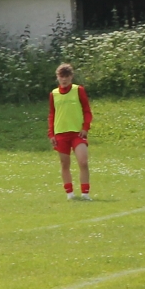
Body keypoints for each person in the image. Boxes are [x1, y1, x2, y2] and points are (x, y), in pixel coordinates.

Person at [49, 63, 93, 201]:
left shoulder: (78, 90)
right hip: (61, 133)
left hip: (77, 133)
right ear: (57, 77)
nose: (64, 79)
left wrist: (85, 127)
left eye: (66, 76)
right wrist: (51, 133)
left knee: (83, 161)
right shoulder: (54, 94)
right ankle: (70, 193)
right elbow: (52, 114)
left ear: (71, 77)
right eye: (61, 76)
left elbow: (87, 110)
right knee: (65, 164)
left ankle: (85, 193)